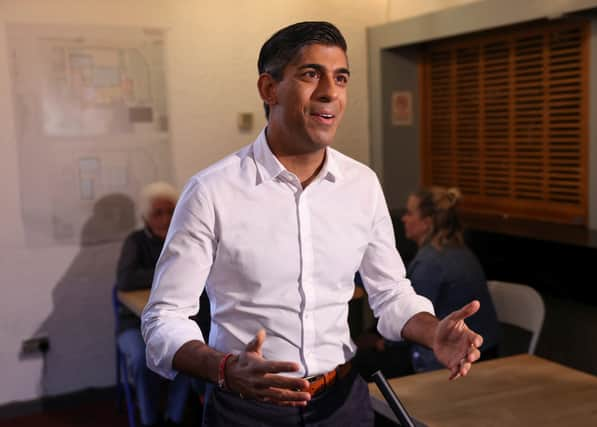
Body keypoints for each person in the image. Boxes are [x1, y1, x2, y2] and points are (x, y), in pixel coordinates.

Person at [141, 22, 484, 427]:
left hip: (343, 402)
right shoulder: (211, 192)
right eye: (310, 74)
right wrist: (225, 367)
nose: (330, 91)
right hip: (248, 409)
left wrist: (432, 332)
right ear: (269, 89)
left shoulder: (362, 185)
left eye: (340, 78)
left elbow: (390, 293)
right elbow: (164, 318)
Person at [115, 181, 190, 427]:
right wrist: (167, 271)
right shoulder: (135, 241)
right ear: (146, 216)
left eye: (171, 210)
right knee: (141, 358)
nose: (166, 218)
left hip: (173, 320)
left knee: (186, 354)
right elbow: (125, 280)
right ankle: (149, 420)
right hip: (134, 322)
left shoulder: (184, 238)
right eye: (158, 213)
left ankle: (174, 416)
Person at [401, 187, 500, 372]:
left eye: (409, 213)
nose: (403, 218)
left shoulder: (429, 264)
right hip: (486, 353)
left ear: (426, 223)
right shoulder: (463, 251)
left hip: (454, 361)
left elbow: (409, 320)